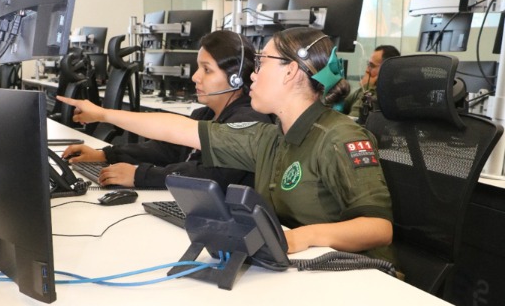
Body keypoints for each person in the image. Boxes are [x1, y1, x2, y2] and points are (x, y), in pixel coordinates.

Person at [58, 27, 395, 263]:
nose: (252, 74)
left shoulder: (340, 137)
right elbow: (181, 130)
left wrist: (301, 237)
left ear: (291, 72)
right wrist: (103, 113)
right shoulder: (270, 137)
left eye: (262, 63)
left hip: (357, 280)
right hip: (295, 266)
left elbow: (379, 229)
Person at [62, 30, 273, 189]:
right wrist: (106, 154)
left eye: (207, 70)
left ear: (236, 78)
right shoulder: (205, 115)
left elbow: (209, 176)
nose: (195, 77)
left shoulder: (249, 121)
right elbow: (164, 150)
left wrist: (140, 175)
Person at [343, 45, 400, 122]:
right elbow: (339, 107)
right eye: (368, 65)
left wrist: (367, 88)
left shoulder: (385, 96)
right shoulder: (366, 89)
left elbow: (354, 122)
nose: (367, 70)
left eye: (372, 66)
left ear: (387, 69)